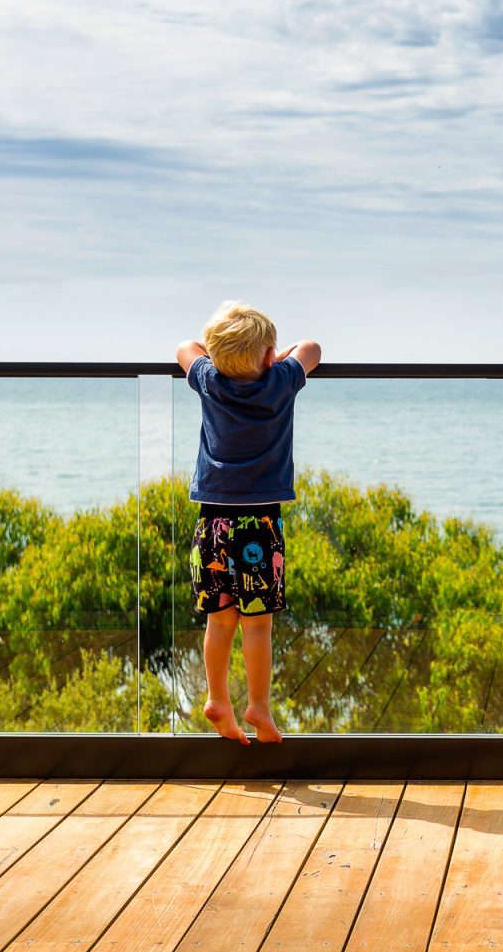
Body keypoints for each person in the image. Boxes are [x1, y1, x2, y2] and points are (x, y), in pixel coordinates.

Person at [176, 301, 320, 745]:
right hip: (260, 524)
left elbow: (186, 347)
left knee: (220, 622)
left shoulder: (210, 379)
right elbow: (312, 347)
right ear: (269, 355)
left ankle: (218, 696)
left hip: (213, 522)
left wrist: (218, 357)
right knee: (257, 624)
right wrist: (276, 359)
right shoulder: (279, 380)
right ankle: (258, 706)